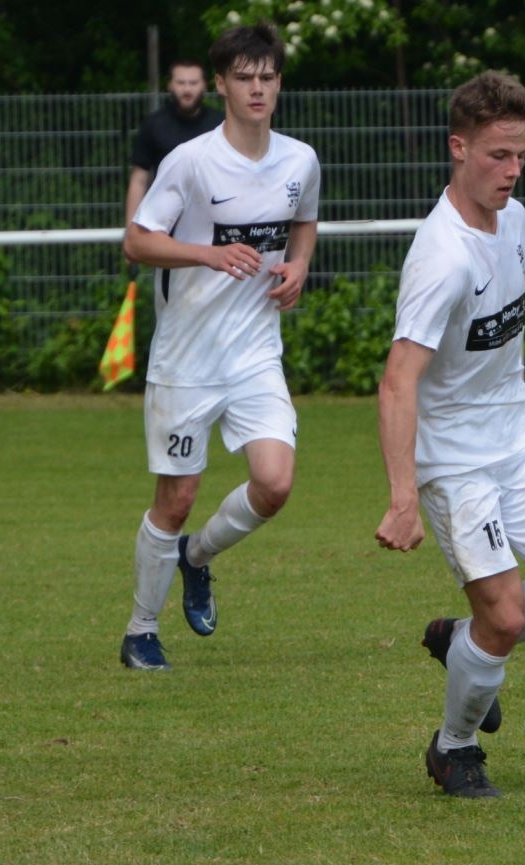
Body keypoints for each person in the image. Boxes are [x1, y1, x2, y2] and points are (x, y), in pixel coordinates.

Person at [375, 71, 525, 798]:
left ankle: (460, 640)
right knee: (505, 618)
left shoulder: (512, 215)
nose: (512, 170)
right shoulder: (440, 259)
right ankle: (455, 747)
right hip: (456, 458)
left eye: (521, 155)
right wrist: (403, 498)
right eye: (498, 155)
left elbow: (519, 277)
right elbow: (397, 381)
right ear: (459, 147)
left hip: (519, 433)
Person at [118, 22, 320, 670]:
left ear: (279, 84)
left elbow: (304, 222)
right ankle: (141, 630)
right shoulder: (191, 161)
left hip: (256, 352)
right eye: (244, 77)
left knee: (275, 482)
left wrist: (299, 266)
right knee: (176, 498)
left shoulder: (300, 159)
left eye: (268, 77)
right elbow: (137, 240)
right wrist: (208, 253)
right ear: (222, 85)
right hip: (187, 359)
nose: (257, 88)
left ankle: (196, 556)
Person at [124, 59, 225, 231]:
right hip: (163, 225)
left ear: (204, 85)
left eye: (193, 83)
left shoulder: (221, 125)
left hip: (212, 221)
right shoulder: (153, 125)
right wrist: (130, 231)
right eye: (181, 83)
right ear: (170, 85)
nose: (187, 89)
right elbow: (138, 180)